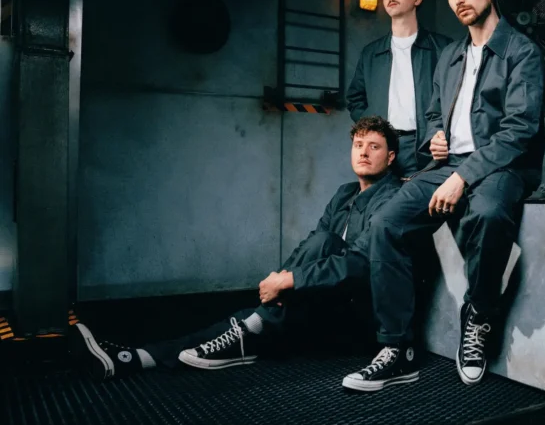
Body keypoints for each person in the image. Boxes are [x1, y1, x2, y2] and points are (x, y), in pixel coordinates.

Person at [342, 0, 545, 392]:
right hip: (447, 164)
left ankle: (479, 312)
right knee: (386, 223)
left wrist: (462, 176)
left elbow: (518, 130)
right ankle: (397, 348)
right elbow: (435, 112)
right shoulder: (451, 55)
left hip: (501, 167)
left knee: (489, 215)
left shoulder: (521, 51)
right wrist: (436, 137)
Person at [71, 116, 402, 381]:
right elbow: (311, 242)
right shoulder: (344, 193)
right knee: (244, 322)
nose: (363, 152)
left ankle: (249, 326)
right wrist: (280, 280)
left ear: (390, 157)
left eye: (374, 147)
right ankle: (135, 358)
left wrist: (288, 281)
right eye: (358, 145)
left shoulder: (391, 199)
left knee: (320, 249)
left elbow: (360, 265)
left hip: (356, 318)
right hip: (320, 303)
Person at [346, 0, 452, 178]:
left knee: (424, 206)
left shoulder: (443, 48)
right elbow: (355, 98)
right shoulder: (371, 53)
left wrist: (440, 134)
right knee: (380, 203)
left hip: (425, 143)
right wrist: (372, 128)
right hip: (382, 144)